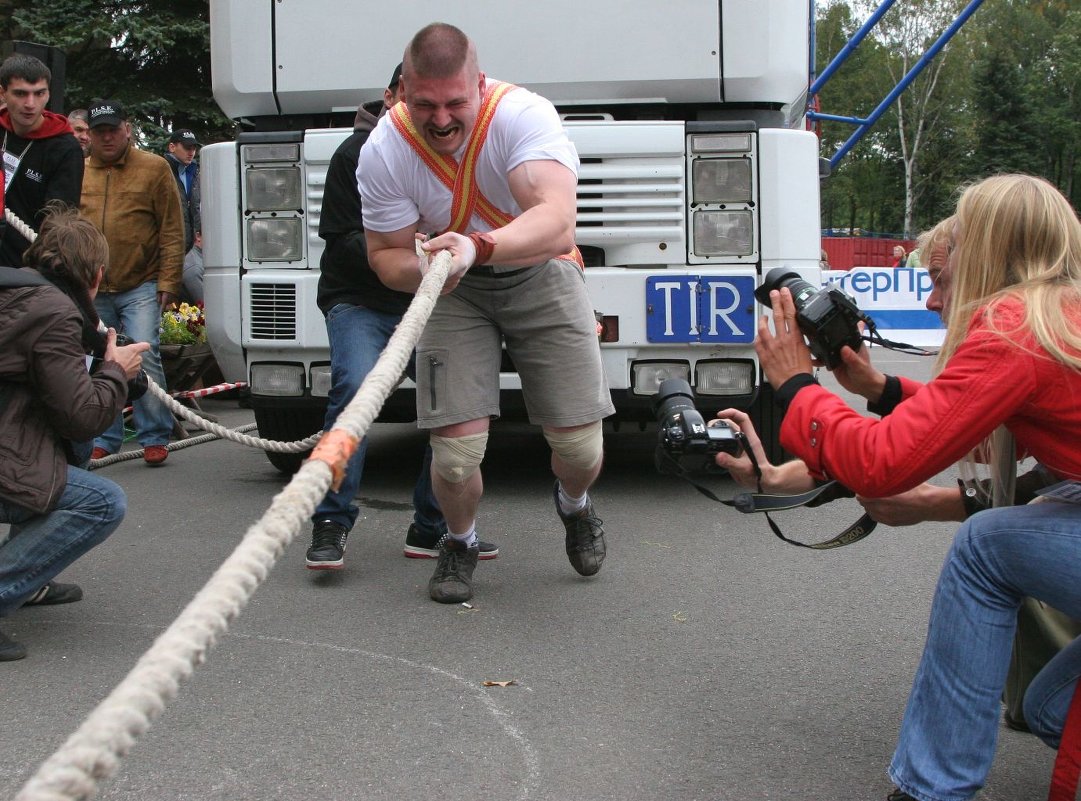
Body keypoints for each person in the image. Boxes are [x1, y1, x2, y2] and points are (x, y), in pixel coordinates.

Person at [749, 173, 1081, 801]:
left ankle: (932, 790)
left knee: (987, 546)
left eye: (941, 279)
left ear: (985, 259)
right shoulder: (1061, 316)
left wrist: (797, 388)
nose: (931, 302)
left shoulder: (1016, 327)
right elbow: (968, 417)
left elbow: (883, 465)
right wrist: (882, 390)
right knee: (1048, 709)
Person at [358, 23, 614, 604]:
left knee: (580, 451)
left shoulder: (522, 116)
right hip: (452, 286)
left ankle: (574, 505)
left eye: (455, 103)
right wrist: (428, 269)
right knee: (453, 459)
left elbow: (556, 221)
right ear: (403, 94)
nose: (441, 120)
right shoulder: (385, 150)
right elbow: (385, 256)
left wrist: (478, 246)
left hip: (541, 271)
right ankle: (459, 540)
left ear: (479, 83)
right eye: (425, 104)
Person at [305, 62, 498, 570]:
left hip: (431, 304)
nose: (430, 117)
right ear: (394, 98)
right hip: (360, 301)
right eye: (414, 101)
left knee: (454, 407)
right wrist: (406, 250)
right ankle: (330, 522)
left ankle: (433, 526)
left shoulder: (459, 154)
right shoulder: (356, 154)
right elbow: (342, 241)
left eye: (443, 104)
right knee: (353, 395)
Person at [0, 207, 149, 661]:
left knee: (73, 450)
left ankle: (31, 580)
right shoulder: (54, 313)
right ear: (97, 274)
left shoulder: (17, 291)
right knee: (103, 503)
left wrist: (106, 371)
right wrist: (116, 371)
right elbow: (82, 416)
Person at [81, 100, 184, 466]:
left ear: (127, 129)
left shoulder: (154, 168)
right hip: (92, 286)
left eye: (113, 129)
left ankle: (155, 435)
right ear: (90, 135)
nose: (107, 137)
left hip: (141, 281)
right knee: (97, 360)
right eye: (99, 131)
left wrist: (169, 279)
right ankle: (104, 436)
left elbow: (172, 227)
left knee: (145, 353)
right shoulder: (79, 171)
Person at [0, 54, 85, 266]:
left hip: (26, 266)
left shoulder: (65, 148)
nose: (30, 104)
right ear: (3, 93)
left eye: (39, 94)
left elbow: (59, 220)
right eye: (20, 94)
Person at [163, 128, 201, 254]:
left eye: (194, 148)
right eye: (187, 148)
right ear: (172, 147)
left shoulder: (195, 172)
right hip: (169, 246)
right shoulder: (161, 172)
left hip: (193, 246)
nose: (191, 152)